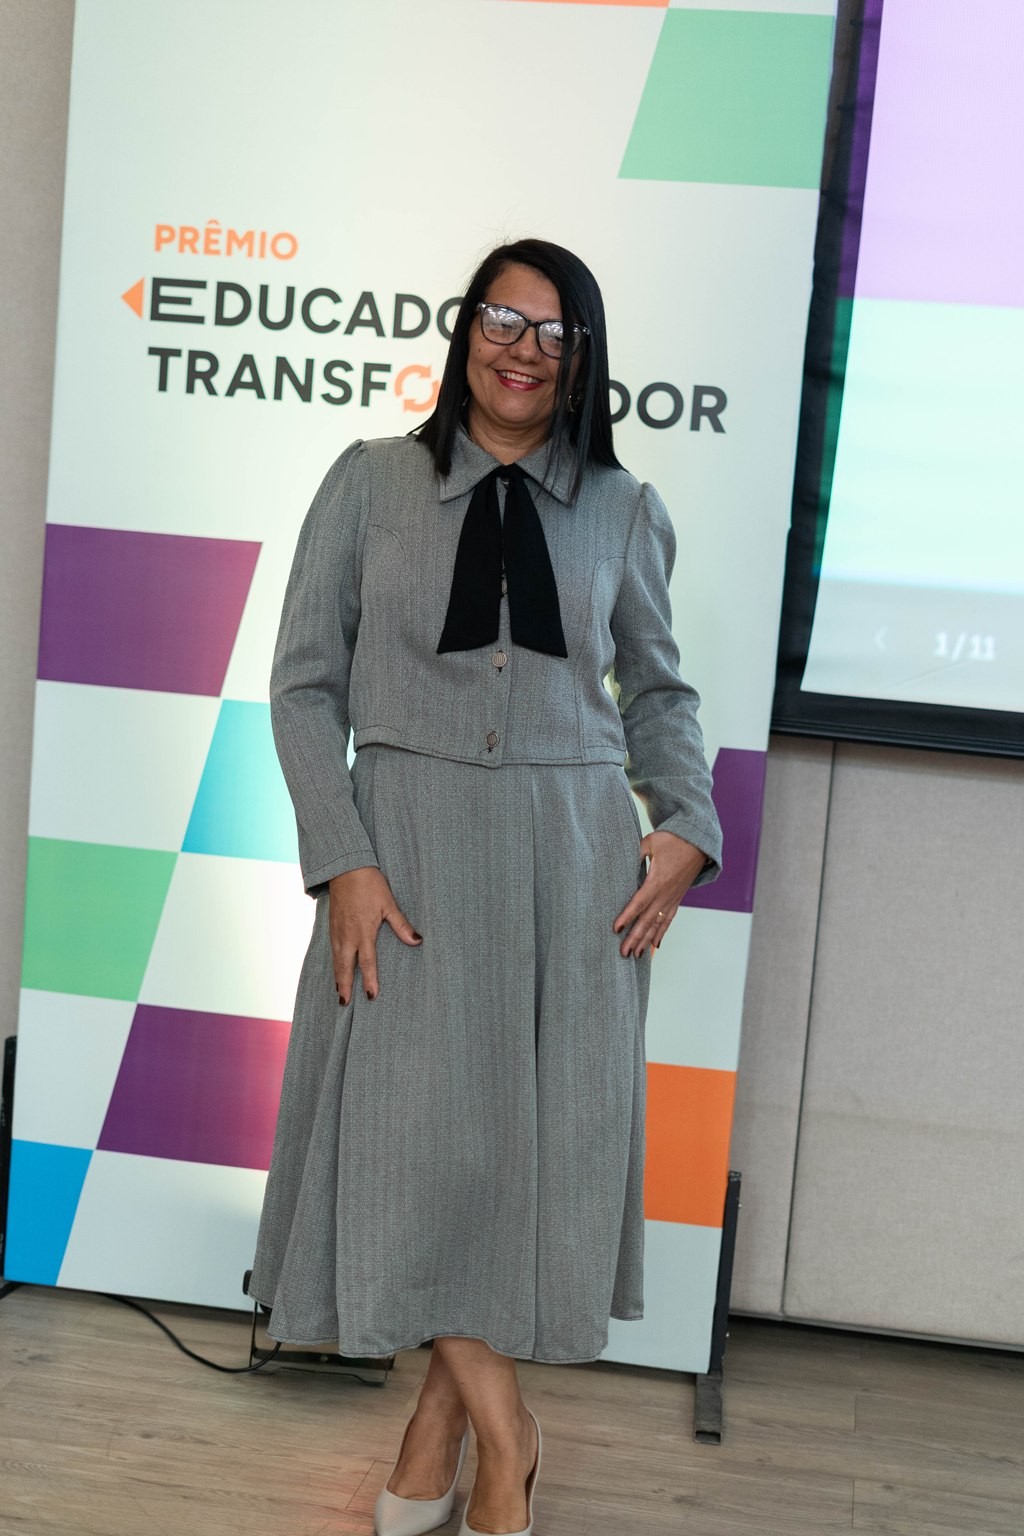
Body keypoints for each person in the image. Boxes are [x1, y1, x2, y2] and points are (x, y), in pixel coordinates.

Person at [247, 237, 723, 1536]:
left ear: (583, 359)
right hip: (403, 855)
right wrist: (343, 857)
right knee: (412, 1153)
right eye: (502, 320)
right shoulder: (370, 483)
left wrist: (687, 823)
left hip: (572, 863)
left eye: (553, 332)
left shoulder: (624, 510)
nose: (523, 350)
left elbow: (659, 691)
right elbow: (303, 686)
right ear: (465, 334)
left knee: (515, 1165)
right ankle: (511, 1439)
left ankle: (438, 1424)